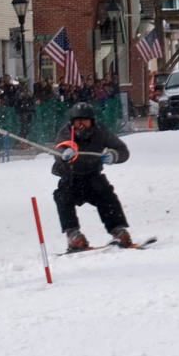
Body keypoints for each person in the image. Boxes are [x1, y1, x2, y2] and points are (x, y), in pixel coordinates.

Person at [52, 102, 133, 252]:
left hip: (92, 176)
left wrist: (114, 156)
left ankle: (118, 230)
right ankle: (73, 234)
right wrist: (64, 155)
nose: (81, 125)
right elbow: (58, 149)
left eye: (85, 121)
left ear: (92, 121)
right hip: (70, 177)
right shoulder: (66, 132)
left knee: (107, 196)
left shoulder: (100, 132)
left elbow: (123, 151)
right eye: (77, 122)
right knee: (62, 197)